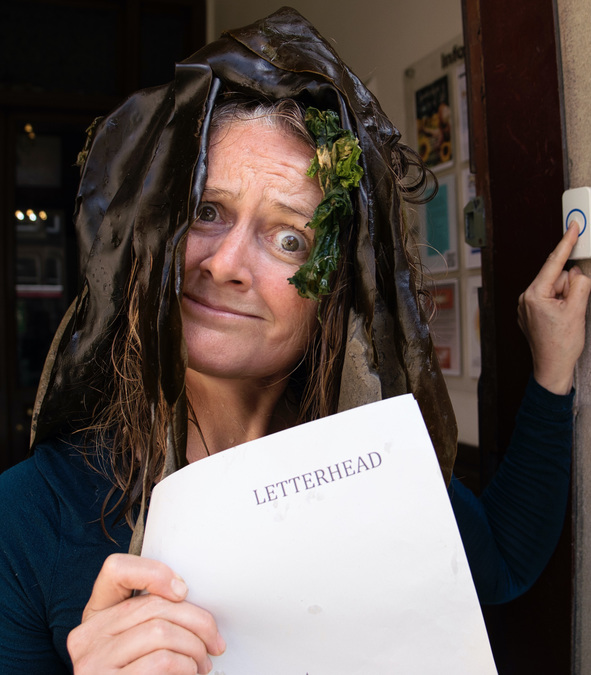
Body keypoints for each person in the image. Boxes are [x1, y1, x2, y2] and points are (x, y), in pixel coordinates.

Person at [0, 8, 588, 674]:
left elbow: (501, 561)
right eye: (205, 211)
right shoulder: (28, 517)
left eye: (289, 239)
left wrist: (550, 371)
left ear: (335, 296)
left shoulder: (373, 468)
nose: (224, 263)